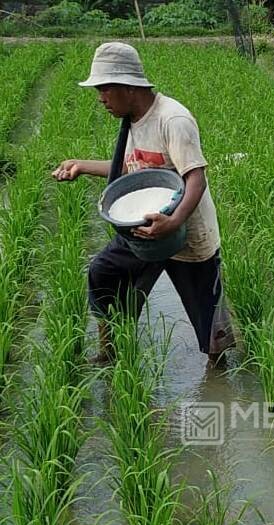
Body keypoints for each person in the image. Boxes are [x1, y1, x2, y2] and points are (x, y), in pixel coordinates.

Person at [52, 42, 234, 365]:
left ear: (129, 86)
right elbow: (129, 170)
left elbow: (197, 178)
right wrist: (81, 165)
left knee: (210, 329)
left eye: (105, 88)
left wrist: (174, 221)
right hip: (144, 232)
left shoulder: (172, 119)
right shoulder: (131, 121)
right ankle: (110, 351)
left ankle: (217, 377)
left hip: (187, 235)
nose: (101, 98)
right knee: (103, 273)